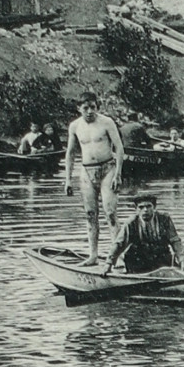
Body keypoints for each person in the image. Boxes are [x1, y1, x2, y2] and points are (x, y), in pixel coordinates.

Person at [62, 93, 125, 264]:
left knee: (110, 213)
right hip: (86, 171)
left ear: (98, 107)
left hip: (107, 169)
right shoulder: (75, 126)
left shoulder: (106, 122)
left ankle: (116, 257)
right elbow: (70, 153)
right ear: (79, 108)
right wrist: (68, 179)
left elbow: (119, 148)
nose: (90, 111)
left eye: (93, 107)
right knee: (90, 214)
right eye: (85, 108)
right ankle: (93, 256)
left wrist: (118, 174)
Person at [104, 194, 184, 275]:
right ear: (136, 209)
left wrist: (182, 259)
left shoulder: (164, 219)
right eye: (141, 207)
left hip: (160, 257)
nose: (145, 210)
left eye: (149, 206)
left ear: (154, 207)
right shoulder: (131, 223)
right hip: (138, 259)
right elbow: (119, 244)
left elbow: (175, 241)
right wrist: (109, 263)